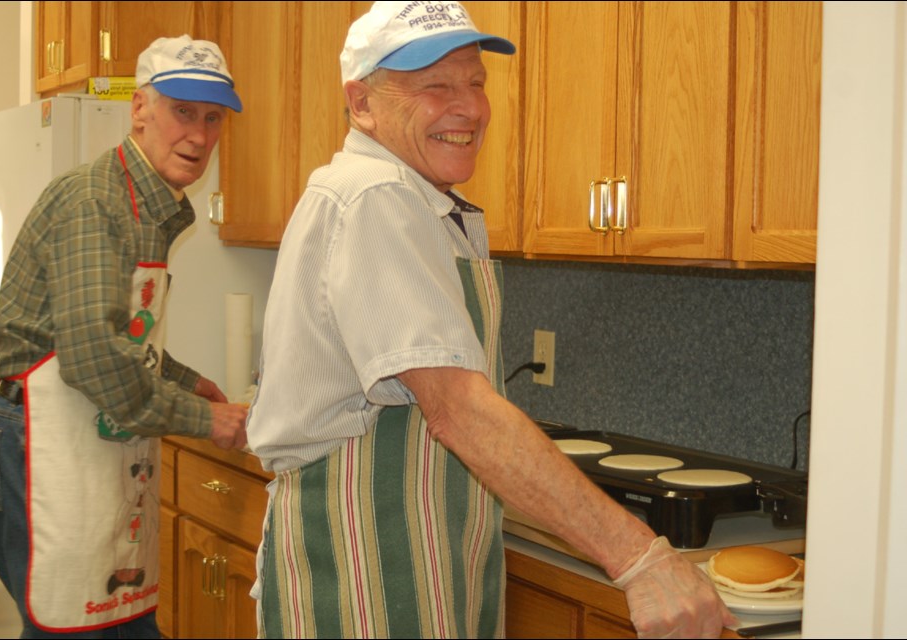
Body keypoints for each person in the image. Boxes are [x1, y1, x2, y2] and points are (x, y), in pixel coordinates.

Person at [245, 2, 737, 638]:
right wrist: (641, 559)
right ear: (361, 102)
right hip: (368, 567)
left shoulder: (422, 202)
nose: (469, 107)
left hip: (423, 564)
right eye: (436, 86)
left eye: (475, 82)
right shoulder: (375, 196)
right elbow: (458, 410)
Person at [0, 35, 248, 639]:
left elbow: (127, 337)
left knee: (123, 621)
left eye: (213, 118)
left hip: (89, 435)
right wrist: (209, 421)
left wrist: (194, 383)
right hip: (41, 440)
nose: (199, 136)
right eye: (183, 112)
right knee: (72, 626)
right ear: (140, 111)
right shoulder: (97, 202)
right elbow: (95, 359)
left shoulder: (156, 208)